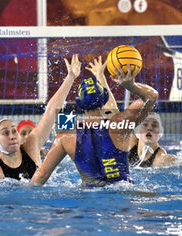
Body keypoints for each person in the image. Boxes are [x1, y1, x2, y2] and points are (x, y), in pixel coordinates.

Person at [31, 57, 159, 187]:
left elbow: (41, 174)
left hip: (88, 201)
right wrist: (131, 86)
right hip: (122, 199)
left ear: (79, 104)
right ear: (104, 99)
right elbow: (152, 96)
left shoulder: (65, 137)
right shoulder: (119, 124)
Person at [0, 54, 82, 185]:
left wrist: (71, 77)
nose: (12, 136)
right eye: (5, 133)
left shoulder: (31, 145)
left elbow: (50, 111)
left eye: (14, 131)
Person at [91, 57, 176, 168]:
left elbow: (152, 96)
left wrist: (131, 86)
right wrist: (100, 75)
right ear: (136, 131)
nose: (149, 128)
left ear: (160, 133)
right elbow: (111, 109)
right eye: (145, 124)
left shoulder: (161, 159)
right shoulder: (129, 141)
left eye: (154, 125)